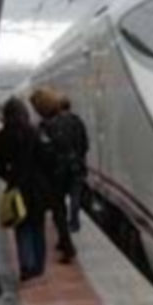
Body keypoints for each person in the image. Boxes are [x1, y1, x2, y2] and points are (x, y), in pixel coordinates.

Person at [0, 98, 48, 280]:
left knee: (21, 227)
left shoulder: (1, 137)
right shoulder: (34, 132)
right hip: (36, 189)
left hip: (16, 189)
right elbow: (44, 159)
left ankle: (26, 266)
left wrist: (10, 178)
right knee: (38, 227)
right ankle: (38, 266)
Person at [30, 89, 77, 264]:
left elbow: (45, 154)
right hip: (70, 171)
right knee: (61, 209)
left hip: (54, 175)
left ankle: (68, 247)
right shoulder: (72, 120)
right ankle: (63, 242)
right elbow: (82, 143)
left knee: (58, 211)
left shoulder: (44, 127)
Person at [59, 98, 89, 232]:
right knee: (75, 196)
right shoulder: (78, 122)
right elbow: (85, 145)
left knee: (60, 196)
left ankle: (62, 220)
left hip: (61, 167)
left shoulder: (56, 123)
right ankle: (74, 223)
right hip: (77, 166)